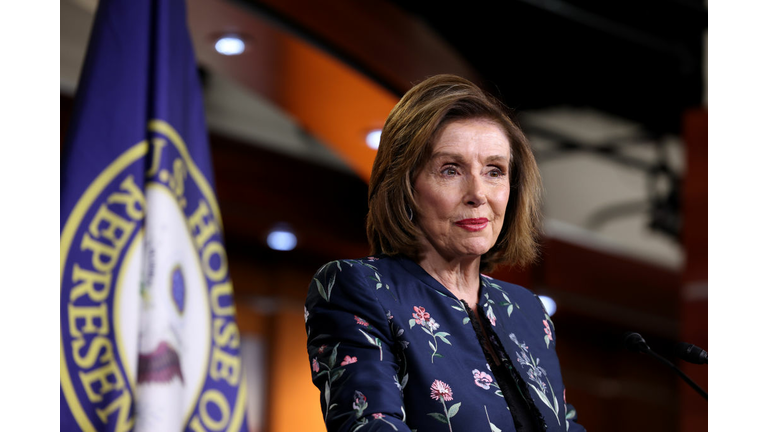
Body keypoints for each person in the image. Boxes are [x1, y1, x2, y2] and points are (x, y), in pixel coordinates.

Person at [305, 74, 585, 431]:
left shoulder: (527, 311)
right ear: (404, 186)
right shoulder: (360, 288)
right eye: (450, 170)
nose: (478, 193)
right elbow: (370, 424)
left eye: (495, 171)